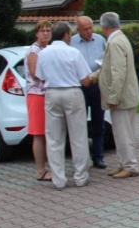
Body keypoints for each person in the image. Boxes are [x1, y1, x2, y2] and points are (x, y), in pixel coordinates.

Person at [36, 22, 93, 190]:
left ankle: (59, 179)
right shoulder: (73, 52)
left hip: (52, 92)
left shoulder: (44, 53)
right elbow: (85, 79)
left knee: (54, 138)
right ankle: (81, 177)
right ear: (66, 35)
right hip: (72, 92)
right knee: (78, 136)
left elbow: (40, 76)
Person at [97, 12, 139, 179]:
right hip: (126, 94)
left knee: (123, 133)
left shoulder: (115, 42)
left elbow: (118, 72)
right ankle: (123, 163)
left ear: (104, 27)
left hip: (122, 97)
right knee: (122, 132)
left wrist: (113, 97)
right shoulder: (121, 39)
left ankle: (130, 165)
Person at [71, 16, 108, 169]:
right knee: (80, 123)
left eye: (90, 28)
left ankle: (98, 156)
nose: (89, 32)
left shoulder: (100, 40)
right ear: (78, 30)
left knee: (99, 122)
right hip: (80, 86)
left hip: (97, 85)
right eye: (85, 29)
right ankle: (82, 158)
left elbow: (107, 60)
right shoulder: (71, 42)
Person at [25, 20, 52, 181]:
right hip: (37, 95)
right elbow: (35, 74)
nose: (46, 33)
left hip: (47, 95)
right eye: (42, 30)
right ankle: (40, 170)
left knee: (47, 133)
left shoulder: (47, 49)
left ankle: (47, 167)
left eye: (48, 30)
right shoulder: (34, 51)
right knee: (39, 134)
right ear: (36, 33)